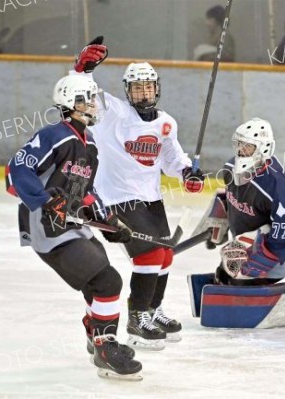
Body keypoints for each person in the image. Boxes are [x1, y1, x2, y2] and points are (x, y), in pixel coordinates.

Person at [5, 74, 142, 380]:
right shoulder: (55, 135)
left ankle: (97, 333)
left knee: (97, 284)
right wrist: (44, 200)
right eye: (89, 99)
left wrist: (108, 221)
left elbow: (85, 192)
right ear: (73, 104)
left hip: (72, 225)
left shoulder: (88, 143)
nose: (95, 104)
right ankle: (106, 349)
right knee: (109, 282)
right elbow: (16, 170)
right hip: (48, 226)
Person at [73, 37, 205, 350]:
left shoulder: (165, 123)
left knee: (166, 253)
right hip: (117, 198)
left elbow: (173, 159)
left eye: (148, 87)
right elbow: (82, 95)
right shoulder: (112, 114)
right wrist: (82, 69)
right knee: (150, 254)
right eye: (137, 88)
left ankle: (152, 309)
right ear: (127, 91)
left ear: (156, 89)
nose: (143, 93)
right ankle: (137, 318)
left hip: (150, 199)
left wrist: (188, 173)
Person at [204, 118, 285, 286]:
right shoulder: (230, 167)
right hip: (242, 244)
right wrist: (217, 223)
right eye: (238, 144)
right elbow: (229, 195)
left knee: (238, 284)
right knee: (223, 277)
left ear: (264, 148)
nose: (240, 150)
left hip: (276, 255)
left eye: (247, 146)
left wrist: (263, 260)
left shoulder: (276, 186)